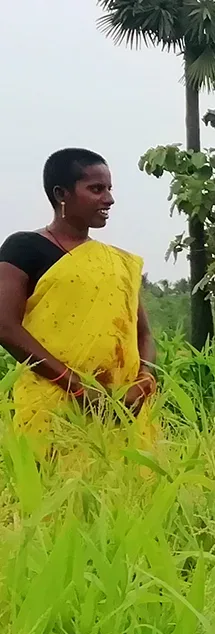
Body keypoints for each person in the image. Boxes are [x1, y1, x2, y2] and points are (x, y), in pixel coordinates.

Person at [0, 148, 156, 439]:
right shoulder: (24, 248)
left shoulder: (118, 263)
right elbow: (5, 326)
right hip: (51, 406)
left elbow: (143, 334)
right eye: (96, 189)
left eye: (109, 189)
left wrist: (144, 382)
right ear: (62, 193)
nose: (109, 199)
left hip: (122, 410)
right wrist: (77, 388)